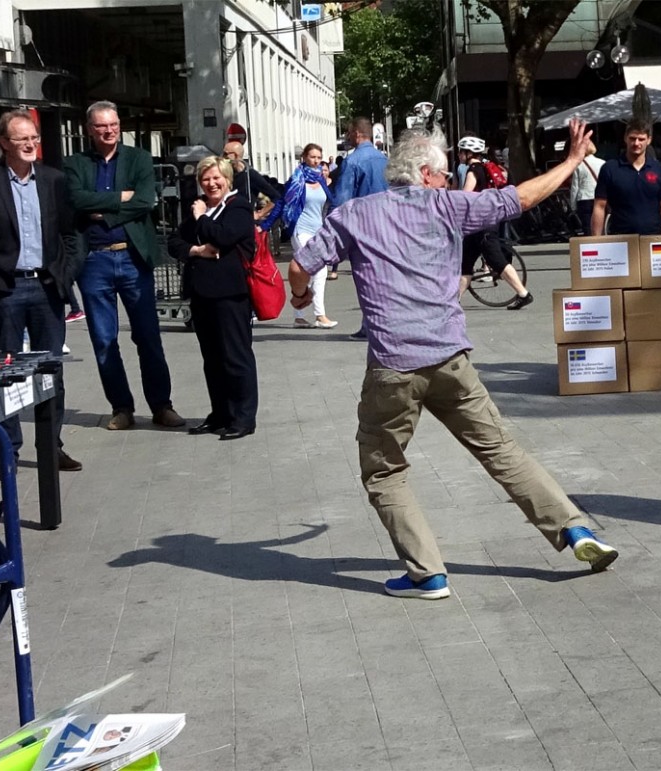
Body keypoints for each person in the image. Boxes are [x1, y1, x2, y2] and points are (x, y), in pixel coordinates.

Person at [288, 119, 619, 600]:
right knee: (502, 450)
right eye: (442, 175)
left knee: (384, 469)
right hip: (449, 357)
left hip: (394, 364)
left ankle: (427, 573)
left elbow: (300, 265)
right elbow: (520, 199)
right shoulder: (448, 205)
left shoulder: (354, 214)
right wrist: (570, 162)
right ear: (426, 174)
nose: (446, 182)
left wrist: (300, 299)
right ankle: (574, 530)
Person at [0, 110, 82, 472]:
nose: (30, 144)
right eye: (22, 139)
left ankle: (51, 446)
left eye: (34, 138)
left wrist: (67, 271)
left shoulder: (53, 180)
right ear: (3, 143)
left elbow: (71, 234)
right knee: (6, 373)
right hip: (7, 289)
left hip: (46, 287)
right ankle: (8, 450)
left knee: (50, 371)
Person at [64, 100, 185, 431]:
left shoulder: (139, 158)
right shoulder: (74, 164)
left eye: (114, 124)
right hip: (94, 261)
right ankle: (121, 407)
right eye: (102, 126)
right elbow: (76, 200)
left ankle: (162, 405)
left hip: (133, 258)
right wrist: (122, 199)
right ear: (90, 129)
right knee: (104, 340)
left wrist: (101, 209)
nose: (109, 131)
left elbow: (146, 200)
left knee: (148, 336)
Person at [167, 156, 258, 440]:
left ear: (228, 179)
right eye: (206, 179)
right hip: (202, 294)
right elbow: (175, 242)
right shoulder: (202, 207)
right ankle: (220, 413)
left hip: (231, 295)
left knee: (236, 357)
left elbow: (223, 236)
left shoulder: (238, 207)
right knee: (213, 358)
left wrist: (201, 218)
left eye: (217, 178)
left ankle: (243, 418)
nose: (211, 183)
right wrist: (196, 251)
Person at [261, 143, 337, 329]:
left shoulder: (320, 180)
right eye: (312, 157)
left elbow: (332, 202)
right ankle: (319, 315)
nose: (316, 161)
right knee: (315, 269)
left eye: (319, 158)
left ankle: (300, 315)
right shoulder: (296, 180)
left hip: (318, 230)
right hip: (300, 230)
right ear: (304, 157)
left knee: (319, 271)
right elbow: (280, 203)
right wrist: (265, 226)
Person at [457, 135, 533, 310]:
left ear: (468, 153)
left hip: (481, 226)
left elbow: (465, 197)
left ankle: (523, 294)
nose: (459, 155)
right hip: (482, 224)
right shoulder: (485, 168)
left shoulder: (473, 170)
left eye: (461, 152)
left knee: (498, 262)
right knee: (465, 264)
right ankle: (453, 301)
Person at [332, 117, 388, 333]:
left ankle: (369, 325)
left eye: (348, 132)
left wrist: (334, 229)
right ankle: (383, 321)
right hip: (387, 225)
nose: (347, 136)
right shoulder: (383, 159)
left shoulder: (352, 161)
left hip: (363, 228)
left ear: (356, 134)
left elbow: (343, 201)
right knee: (384, 276)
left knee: (365, 278)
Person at [591, 120, 661, 236]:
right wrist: (595, 240)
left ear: (649, 140)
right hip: (620, 238)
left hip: (653, 238)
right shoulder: (610, 168)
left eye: (641, 139)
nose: (636, 143)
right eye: (632, 138)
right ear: (625, 138)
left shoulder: (657, 168)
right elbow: (599, 206)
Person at [220, 140, 281, 222]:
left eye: (226, 154)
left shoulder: (250, 175)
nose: (222, 157)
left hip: (243, 222)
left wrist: (259, 214)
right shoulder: (223, 174)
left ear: (236, 156)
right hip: (225, 220)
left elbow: (276, 197)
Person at [569, 140, 605, 236]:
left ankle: (590, 246)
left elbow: (575, 187)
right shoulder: (602, 163)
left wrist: (573, 206)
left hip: (584, 199)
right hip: (600, 198)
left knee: (587, 227)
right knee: (601, 227)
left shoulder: (578, 166)